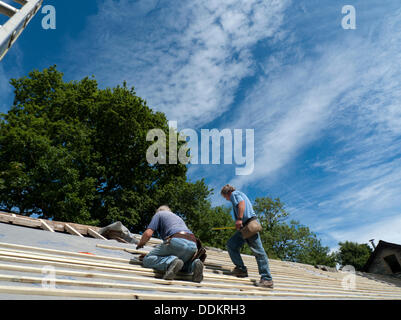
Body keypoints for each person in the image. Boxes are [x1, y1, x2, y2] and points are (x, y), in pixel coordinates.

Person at [220, 184, 274, 289]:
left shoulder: (234, 194)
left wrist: (239, 219)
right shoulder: (238, 194)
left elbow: (241, 203)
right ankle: (241, 269)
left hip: (249, 225)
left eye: (224, 197)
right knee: (231, 244)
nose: (226, 199)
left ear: (227, 193)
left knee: (259, 251)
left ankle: (267, 279)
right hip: (244, 227)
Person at [136, 205, 204, 282]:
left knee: (146, 260)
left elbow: (148, 234)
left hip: (177, 240)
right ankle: (194, 265)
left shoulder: (159, 214)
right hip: (193, 244)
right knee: (181, 264)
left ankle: (170, 261)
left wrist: (141, 243)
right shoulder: (178, 218)